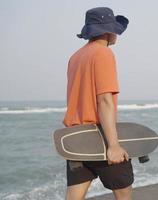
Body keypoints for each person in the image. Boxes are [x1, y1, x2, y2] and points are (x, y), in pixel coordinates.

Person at [62, 7, 133, 200]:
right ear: (108, 31)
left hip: (75, 139)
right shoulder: (103, 54)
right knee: (123, 193)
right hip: (97, 138)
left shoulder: (75, 57)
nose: (117, 34)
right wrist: (114, 145)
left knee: (74, 196)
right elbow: (104, 100)